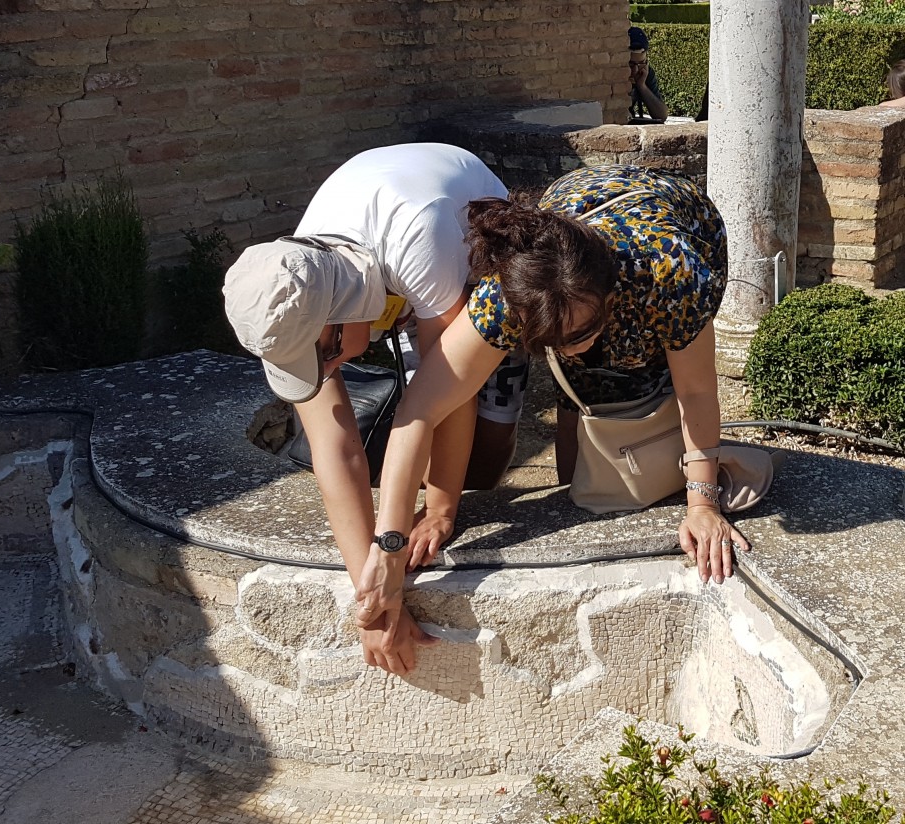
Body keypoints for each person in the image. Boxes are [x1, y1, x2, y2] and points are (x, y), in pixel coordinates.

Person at [358, 165, 742, 663]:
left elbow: (696, 391)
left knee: (643, 383)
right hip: (568, 232)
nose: (572, 347)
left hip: (677, 226)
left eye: (582, 331)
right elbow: (420, 410)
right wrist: (403, 537)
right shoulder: (504, 297)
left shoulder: (670, 272)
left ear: (608, 298)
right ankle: (579, 472)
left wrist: (703, 506)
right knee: (578, 389)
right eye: (553, 342)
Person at [223, 143, 527, 676]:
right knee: (415, 437)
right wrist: (373, 595)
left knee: (486, 439)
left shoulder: (423, 246)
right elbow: (334, 448)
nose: (324, 368)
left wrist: (440, 511)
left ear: (339, 313)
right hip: (394, 257)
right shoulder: (290, 286)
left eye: (323, 353)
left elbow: (447, 397)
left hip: (463, 240)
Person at [627, 26, 669, 123]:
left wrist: (642, 86)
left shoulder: (646, 73)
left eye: (641, 63)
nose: (635, 70)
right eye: (631, 64)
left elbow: (662, 115)